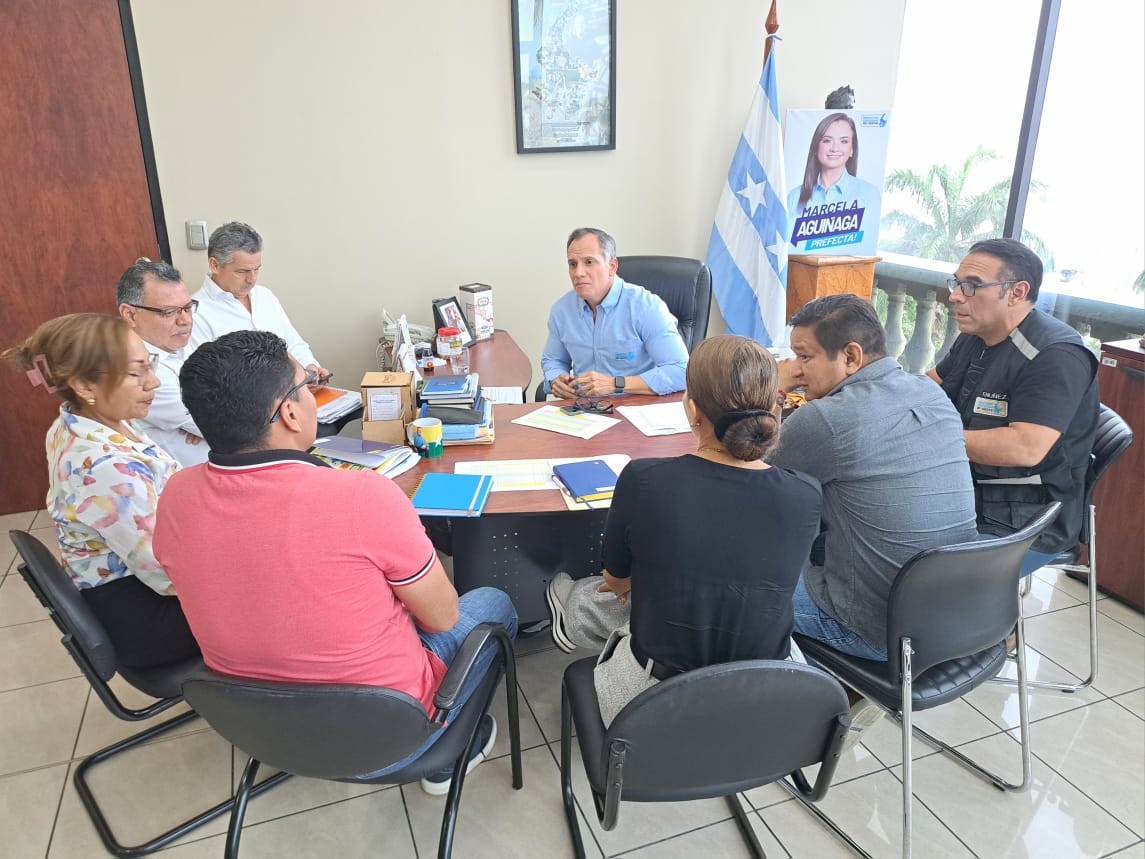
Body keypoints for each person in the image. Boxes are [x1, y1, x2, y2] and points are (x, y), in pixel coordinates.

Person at [153, 330, 517, 794]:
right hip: (391, 736)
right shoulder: (364, 495)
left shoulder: (175, 496)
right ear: (289, 412)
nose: (311, 396)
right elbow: (443, 618)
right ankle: (454, 749)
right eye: (307, 387)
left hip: (259, 730)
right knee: (494, 603)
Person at [545, 335, 822, 725]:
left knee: (597, 597)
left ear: (692, 410)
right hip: (769, 706)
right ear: (776, 408)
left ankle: (570, 608)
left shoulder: (645, 479)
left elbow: (616, 580)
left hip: (655, 705)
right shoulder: (805, 494)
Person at [770, 294, 977, 746]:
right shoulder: (929, 392)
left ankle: (813, 703)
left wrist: (771, 387)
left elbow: (751, 474)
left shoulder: (826, 419)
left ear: (850, 356)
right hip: (961, 615)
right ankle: (841, 689)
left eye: (804, 357)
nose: (797, 369)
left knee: (738, 584)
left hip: (877, 631)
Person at [4, 314, 199, 668]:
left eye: (150, 364)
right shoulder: (106, 468)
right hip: (146, 615)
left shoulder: (78, 421)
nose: (153, 381)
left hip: (140, 583)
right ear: (84, 385)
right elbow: (165, 574)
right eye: (136, 372)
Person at [928, 238, 1099, 572]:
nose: (955, 296)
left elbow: (1025, 448)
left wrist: (928, 437)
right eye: (957, 283)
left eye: (972, 286)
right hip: (965, 486)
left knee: (911, 569)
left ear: (1017, 292)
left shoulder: (1056, 355)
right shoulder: (977, 334)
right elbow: (929, 386)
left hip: (1025, 517)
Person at [541, 227, 689, 399]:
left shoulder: (645, 307)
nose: (578, 273)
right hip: (584, 409)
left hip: (635, 407)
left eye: (589, 262)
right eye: (573, 264)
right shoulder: (561, 310)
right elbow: (553, 360)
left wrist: (615, 384)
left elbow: (681, 371)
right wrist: (555, 379)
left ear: (612, 266)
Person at [188, 221, 329, 380]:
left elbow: (293, 342)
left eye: (257, 269)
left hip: (296, 388)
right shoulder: (194, 313)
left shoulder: (264, 296)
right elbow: (208, 379)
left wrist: (310, 367)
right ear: (214, 265)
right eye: (242, 271)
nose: (252, 279)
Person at [116, 258, 208, 466]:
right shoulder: (141, 371)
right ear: (130, 314)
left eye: (188, 307)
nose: (185, 320)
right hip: (182, 480)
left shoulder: (184, 339)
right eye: (169, 312)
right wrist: (211, 425)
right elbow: (231, 428)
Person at [786, 112, 882, 256]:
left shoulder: (869, 195)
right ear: (816, 147)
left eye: (844, 141)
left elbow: (866, 250)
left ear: (852, 149)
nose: (835, 148)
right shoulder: (794, 197)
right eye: (827, 140)